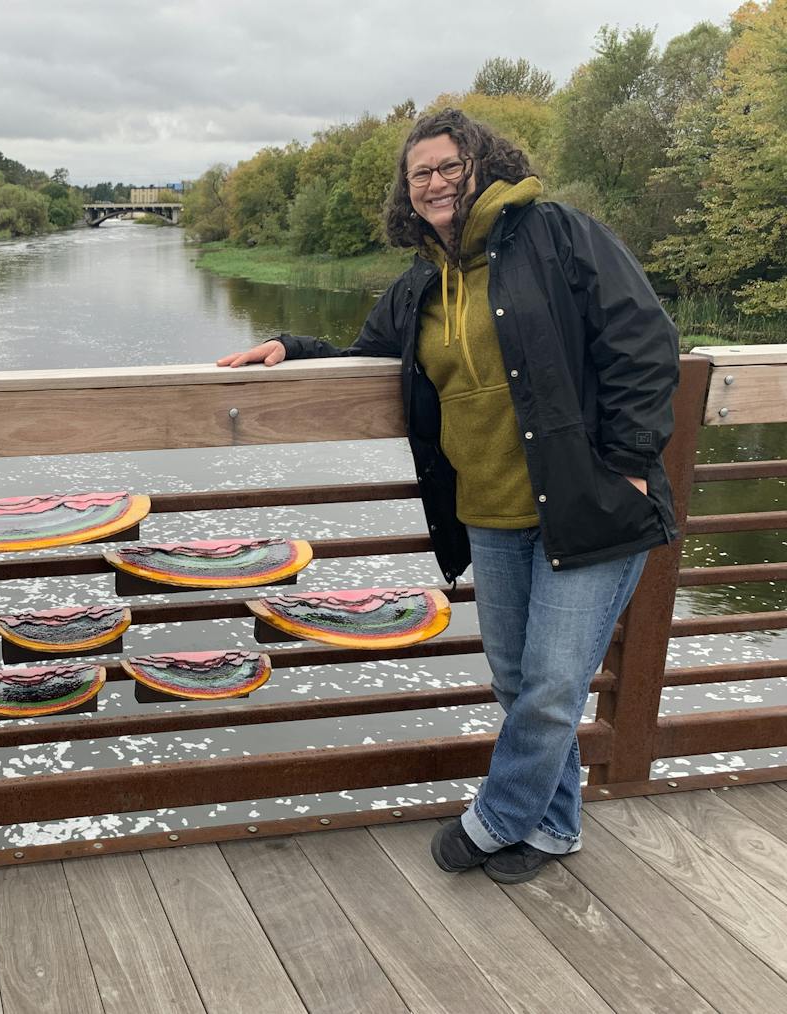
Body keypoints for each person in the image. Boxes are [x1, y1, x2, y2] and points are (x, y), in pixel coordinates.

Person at [218, 109, 678, 885]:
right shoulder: (421, 283)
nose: (434, 182)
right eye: (419, 172)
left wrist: (631, 462)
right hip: (490, 514)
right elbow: (371, 359)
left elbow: (644, 340)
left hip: (588, 505)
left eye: (448, 165)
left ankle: (496, 817)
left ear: (483, 163)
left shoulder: (558, 235)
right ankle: (555, 826)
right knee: (516, 682)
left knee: (554, 686)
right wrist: (292, 349)